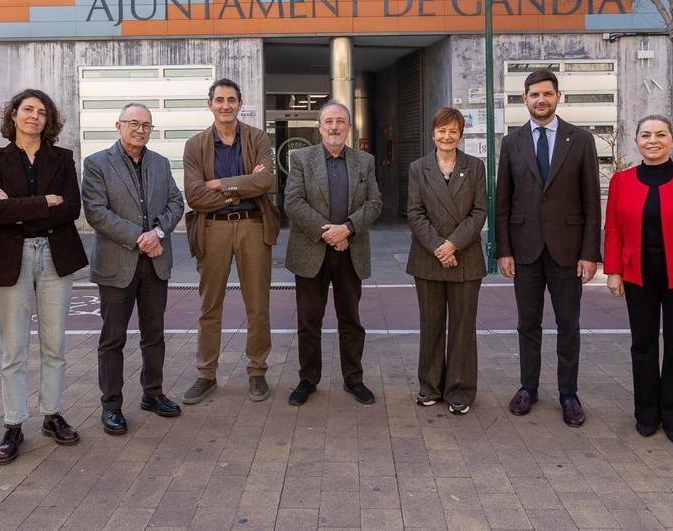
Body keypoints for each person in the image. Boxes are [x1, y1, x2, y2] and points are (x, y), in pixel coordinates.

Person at [0, 89, 88, 464]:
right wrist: (44, 202)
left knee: (54, 343)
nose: (35, 117)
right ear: (13, 114)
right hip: (13, 258)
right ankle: (13, 423)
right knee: (14, 348)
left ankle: (52, 414)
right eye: (28, 110)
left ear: (49, 120)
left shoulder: (63, 158)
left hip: (55, 256)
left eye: (42, 112)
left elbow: (71, 208)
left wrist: (17, 207)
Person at [603, 115, 673, 444]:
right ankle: (646, 413)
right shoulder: (622, 181)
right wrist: (612, 270)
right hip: (638, 275)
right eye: (645, 135)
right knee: (642, 347)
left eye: (661, 134)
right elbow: (613, 229)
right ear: (637, 141)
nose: (653, 140)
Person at [496, 69, 601, 425]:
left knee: (568, 324)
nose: (541, 100)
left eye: (547, 94)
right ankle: (528, 387)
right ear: (524, 99)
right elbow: (503, 202)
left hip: (568, 252)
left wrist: (590, 254)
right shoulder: (512, 143)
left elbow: (591, 202)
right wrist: (503, 250)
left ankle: (568, 394)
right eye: (534, 95)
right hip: (524, 250)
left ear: (558, 97)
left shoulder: (581, 139)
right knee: (528, 324)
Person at [82, 103, 185, 435]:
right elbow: (96, 212)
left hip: (156, 263)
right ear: (119, 125)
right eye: (134, 123)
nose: (140, 130)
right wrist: (139, 238)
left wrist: (157, 233)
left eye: (147, 126)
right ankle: (111, 405)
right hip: (117, 264)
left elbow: (175, 203)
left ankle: (152, 394)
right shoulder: (97, 163)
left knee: (153, 335)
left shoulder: (159, 162)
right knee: (113, 339)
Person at [181, 78, 280, 404]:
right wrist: (240, 191)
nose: (226, 105)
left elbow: (264, 180)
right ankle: (206, 374)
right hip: (214, 230)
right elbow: (195, 196)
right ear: (210, 104)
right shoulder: (195, 145)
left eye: (231, 100)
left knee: (258, 305)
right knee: (210, 305)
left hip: (253, 227)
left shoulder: (258, 137)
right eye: (219, 99)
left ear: (239, 103)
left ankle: (257, 371)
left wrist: (221, 184)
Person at [283, 101, 382, 406]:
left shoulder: (365, 161)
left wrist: (347, 229)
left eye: (341, 121)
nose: (335, 126)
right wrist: (329, 232)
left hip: (350, 251)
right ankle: (307, 379)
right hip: (311, 250)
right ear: (320, 126)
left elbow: (375, 203)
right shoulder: (301, 158)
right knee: (308, 321)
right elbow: (293, 202)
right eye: (329, 121)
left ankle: (354, 379)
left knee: (350, 319)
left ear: (348, 127)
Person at [406, 107, 487, 415]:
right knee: (431, 325)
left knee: (464, 328)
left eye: (453, 131)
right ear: (433, 133)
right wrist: (439, 247)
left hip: (465, 258)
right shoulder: (418, 168)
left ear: (461, 134)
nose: (447, 136)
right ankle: (429, 386)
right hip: (428, 259)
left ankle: (460, 390)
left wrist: (453, 244)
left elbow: (479, 212)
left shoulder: (475, 167)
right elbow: (414, 213)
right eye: (442, 130)